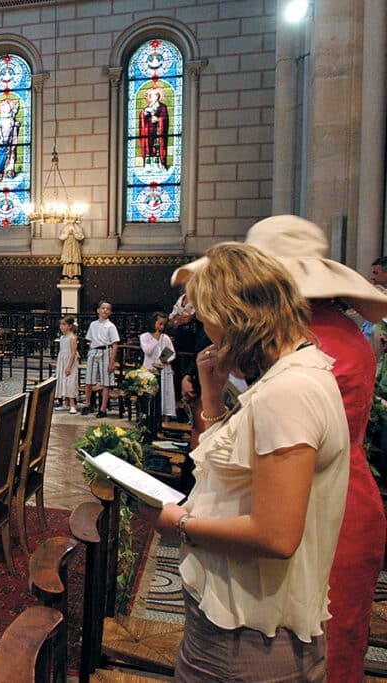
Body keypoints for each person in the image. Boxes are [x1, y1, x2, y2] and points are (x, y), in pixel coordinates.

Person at [149, 242, 349, 682]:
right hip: (233, 626)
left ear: (233, 315)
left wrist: (179, 525)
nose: (203, 327)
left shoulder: (288, 392)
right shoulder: (290, 375)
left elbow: (276, 534)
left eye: (205, 316)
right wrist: (212, 393)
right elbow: (224, 470)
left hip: (248, 638)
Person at [235, 215, 387, 683]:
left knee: (323, 651)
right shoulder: (328, 328)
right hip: (327, 495)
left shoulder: (316, 342)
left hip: (326, 510)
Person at [82, 300, 119, 418]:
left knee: (105, 382)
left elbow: (115, 344)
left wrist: (112, 362)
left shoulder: (111, 326)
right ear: (98, 310)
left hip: (106, 352)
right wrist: (90, 352)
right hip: (94, 351)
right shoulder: (93, 324)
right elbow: (90, 340)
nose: (105, 310)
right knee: (89, 380)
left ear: (110, 312)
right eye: (103, 308)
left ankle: (103, 408)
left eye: (108, 309)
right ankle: (88, 404)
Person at [140, 312, 176, 420]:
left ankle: (165, 418)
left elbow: (172, 352)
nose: (162, 327)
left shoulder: (165, 338)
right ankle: (149, 417)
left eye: (163, 325)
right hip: (149, 369)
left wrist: (164, 359)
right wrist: (155, 338)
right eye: (160, 324)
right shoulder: (144, 336)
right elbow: (148, 351)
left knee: (165, 393)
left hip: (164, 369)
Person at [139, 85, 169, 173]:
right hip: (148, 131)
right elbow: (142, 117)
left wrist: (159, 120)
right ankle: (148, 165)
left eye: (156, 95)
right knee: (148, 146)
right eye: (152, 96)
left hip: (158, 131)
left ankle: (158, 164)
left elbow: (165, 118)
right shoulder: (146, 108)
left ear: (159, 96)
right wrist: (144, 114)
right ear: (150, 97)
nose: (154, 97)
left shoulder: (163, 107)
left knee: (157, 147)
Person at [55, 315, 79, 414]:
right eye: (61, 324)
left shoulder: (72, 337)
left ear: (69, 326)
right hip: (63, 360)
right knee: (63, 381)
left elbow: (73, 352)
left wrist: (69, 366)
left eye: (64, 324)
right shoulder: (62, 337)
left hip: (70, 361)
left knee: (70, 382)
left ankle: (73, 405)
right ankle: (65, 403)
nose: (61, 326)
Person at [0, 97, 20, 182]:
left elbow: (15, 111)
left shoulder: (11, 116)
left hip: (11, 140)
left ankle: (9, 171)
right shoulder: (1, 118)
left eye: (8, 107)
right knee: (2, 156)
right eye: (4, 107)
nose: (6, 108)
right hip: (3, 140)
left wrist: (16, 124)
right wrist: (0, 137)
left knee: (11, 155)